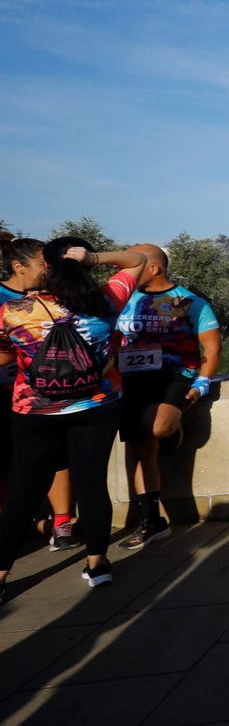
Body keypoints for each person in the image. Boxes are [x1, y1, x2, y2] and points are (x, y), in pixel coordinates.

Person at [0, 239, 148, 601]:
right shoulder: (106, 300)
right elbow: (138, 259)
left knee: (23, 492)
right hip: (97, 406)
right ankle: (98, 565)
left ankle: (1, 575)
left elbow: (3, 359)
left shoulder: (14, 311)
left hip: (35, 411)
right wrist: (94, 257)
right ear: (86, 265)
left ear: (46, 268)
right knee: (92, 485)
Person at [115, 243, 222, 550]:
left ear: (153, 268)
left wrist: (202, 383)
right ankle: (152, 521)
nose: (125, 272)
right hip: (131, 380)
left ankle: (173, 425)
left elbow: (212, 347)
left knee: (158, 428)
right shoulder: (123, 300)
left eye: (131, 265)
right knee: (143, 451)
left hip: (174, 376)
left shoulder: (189, 302)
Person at [1, 235, 79, 550]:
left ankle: (62, 524)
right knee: (5, 463)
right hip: (6, 394)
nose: (48, 268)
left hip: (49, 396)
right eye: (41, 263)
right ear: (19, 267)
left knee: (58, 458)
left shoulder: (55, 295)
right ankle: (11, 527)